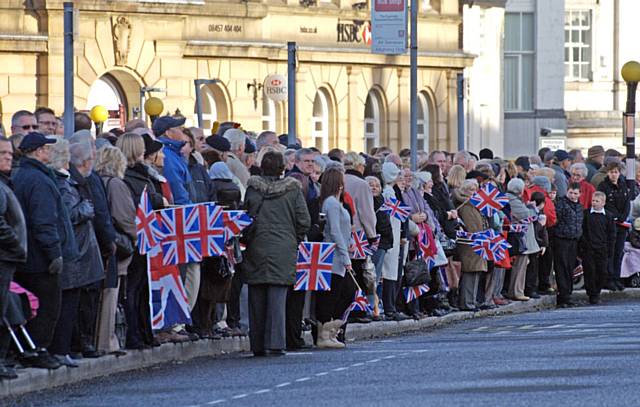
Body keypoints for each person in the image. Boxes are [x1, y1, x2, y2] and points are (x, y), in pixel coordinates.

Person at [12, 132, 72, 369]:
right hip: (40, 258)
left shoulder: (23, 175)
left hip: (29, 255)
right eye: (46, 148)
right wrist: (54, 252)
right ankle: (37, 350)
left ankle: (31, 349)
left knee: (32, 305)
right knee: (46, 307)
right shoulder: (39, 180)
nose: (50, 152)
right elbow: (44, 221)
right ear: (37, 152)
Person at [242, 151, 310, 356]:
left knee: (256, 296)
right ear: (283, 168)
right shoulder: (293, 190)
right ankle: (276, 342)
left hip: (257, 246)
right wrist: (294, 238)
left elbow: (245, 215)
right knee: (278, 297)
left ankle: (257, 344)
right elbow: (304, 220)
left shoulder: (252, 189)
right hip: (284, 247)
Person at [48, 139, 103, 367]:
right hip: (73, 252)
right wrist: (87, 208)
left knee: (73, 305)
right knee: (67, 306)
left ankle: (66, 348)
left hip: (77, 251)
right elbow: (69, 214)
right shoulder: (63, 183)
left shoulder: (66, 181)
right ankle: (62, 349)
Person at [118, 132, 165, 349]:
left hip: (144, 237)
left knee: (141, 288)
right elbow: (140, 204)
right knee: (134, 289)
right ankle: (135, 334)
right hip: (136, 238)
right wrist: (158, 199)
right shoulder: (130, 177)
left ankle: (144, 332)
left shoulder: (138, 175)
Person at [95, 145, 135, 356]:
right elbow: (125, 217)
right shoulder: (116, 184)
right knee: (112, 292)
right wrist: (136, 236)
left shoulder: (96, 181)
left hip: (101, 243)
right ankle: (108, 340)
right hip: (117, 245)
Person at [316, 168, 354, 349]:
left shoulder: (337, 203)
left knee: (346, 292)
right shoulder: (331, 203)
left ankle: (331, 329)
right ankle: (324, 331)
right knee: (333, 294)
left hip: (342, 251)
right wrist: (345, 255)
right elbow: (335, 231)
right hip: (334, 255)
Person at [0, 137, 27, 379]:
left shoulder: (5, 183)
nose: (8, 156)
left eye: (9, 153)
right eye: (2, 153)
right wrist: (16, 245)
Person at [452, 179, 487, 311]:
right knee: (469, 273)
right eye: (471, 189)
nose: (474, 192)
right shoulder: (465, 205)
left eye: (475, 189)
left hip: (478, 241)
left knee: (476, 272)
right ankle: (467, 302)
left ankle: (471, 301)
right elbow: (471, 225)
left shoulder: (473, 204)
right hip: (469, 243)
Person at [597, 161, 631, 291]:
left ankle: (617, 277)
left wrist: (623, 215)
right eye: (611, 172)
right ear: (607, 173)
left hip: (622, 224)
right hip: (611, 224)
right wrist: (616, 216)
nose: (614, 175)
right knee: (610, 252)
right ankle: (609, 279)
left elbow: (627, 201)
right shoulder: (603, 186)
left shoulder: (623, 185)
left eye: (616, 172)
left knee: (618, 252)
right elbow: (605, 204)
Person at [580, 191, 616, 305]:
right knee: (590, 272)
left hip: (602, 248)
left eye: (597, 201)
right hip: (589, 249)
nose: (594, 203)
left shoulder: (608, 216)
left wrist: (610, 249)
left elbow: (611, 234)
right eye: (593, 201)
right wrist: (584, 246)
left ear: (603, 203)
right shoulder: (586, 214)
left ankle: (597, 291)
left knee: (602, 272)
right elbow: (582, 231)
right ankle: (592, 295)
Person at [366, 175, 392, 320]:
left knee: (377, 277)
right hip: (372, 241)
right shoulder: (367, 201)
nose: (374, 187)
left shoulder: (382, 201)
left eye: (376, 184)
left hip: (383, 242)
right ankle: (371, 306)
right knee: (371, 277)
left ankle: (375, 306)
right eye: (370, 184)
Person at [553, 183, 583, 308]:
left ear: (580, 194)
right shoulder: (561, 203)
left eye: (575, 193)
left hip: (573, 240)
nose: (573, 195)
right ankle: (563, 295)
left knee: (570, 267)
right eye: (571, 192)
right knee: (562, 267)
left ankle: (568, 294)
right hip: (562, 239)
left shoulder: (579, 207)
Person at [153, 116, 193, 205]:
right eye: (179, 128)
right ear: (168, 133)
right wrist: (189, 209)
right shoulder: (167, 154)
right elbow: (176, 187)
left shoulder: (173, 152)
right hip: (181, 211)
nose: (182, 131)